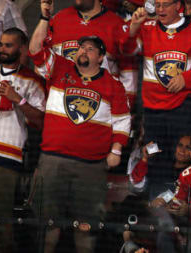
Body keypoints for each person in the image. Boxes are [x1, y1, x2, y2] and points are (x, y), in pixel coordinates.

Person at [28, 32, 131, 253]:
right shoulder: (60, 68)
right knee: (48, 224)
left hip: (91, 167)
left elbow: (122, 121)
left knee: (86, 228)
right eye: (81, 47)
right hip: (53, 161)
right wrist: (44, 18)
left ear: (101, 57)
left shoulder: (113, 85)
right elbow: (35, 49)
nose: (83, 51)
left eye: (90, 49)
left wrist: (116, 149)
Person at [124, 0, 191, 199]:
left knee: (183, 157)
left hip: (183, 107)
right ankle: (158, 208)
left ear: (178, 5)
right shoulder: (147, 28)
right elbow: (126, 50)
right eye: (157, 5)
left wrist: (186, 79)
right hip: (153, 112)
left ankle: (185, 204)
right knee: (154, 154)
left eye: (165, 4)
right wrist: (132, 28)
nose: (160, 9)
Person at [40, 0, 135, 103]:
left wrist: (126, 105)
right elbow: (42, 59)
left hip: (100, 105)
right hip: (60, 103)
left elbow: (128, 70)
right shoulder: (59, 19)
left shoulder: (116, 24)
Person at [0, 28, 46, 253]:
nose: (2, 49)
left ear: (22, 49)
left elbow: (41, 122)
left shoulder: (32, 80)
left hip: (8, 155)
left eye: (8, 45)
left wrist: (19, 100)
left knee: (1, 216)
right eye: (1, 44)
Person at [128, 135, 191, 253]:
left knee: (164, 232)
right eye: (180, 145)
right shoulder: (162, 166)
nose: (182, 150)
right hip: (149, 213)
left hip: (175, 218)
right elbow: (136, 182)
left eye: (188, 147)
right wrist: (145, 159)